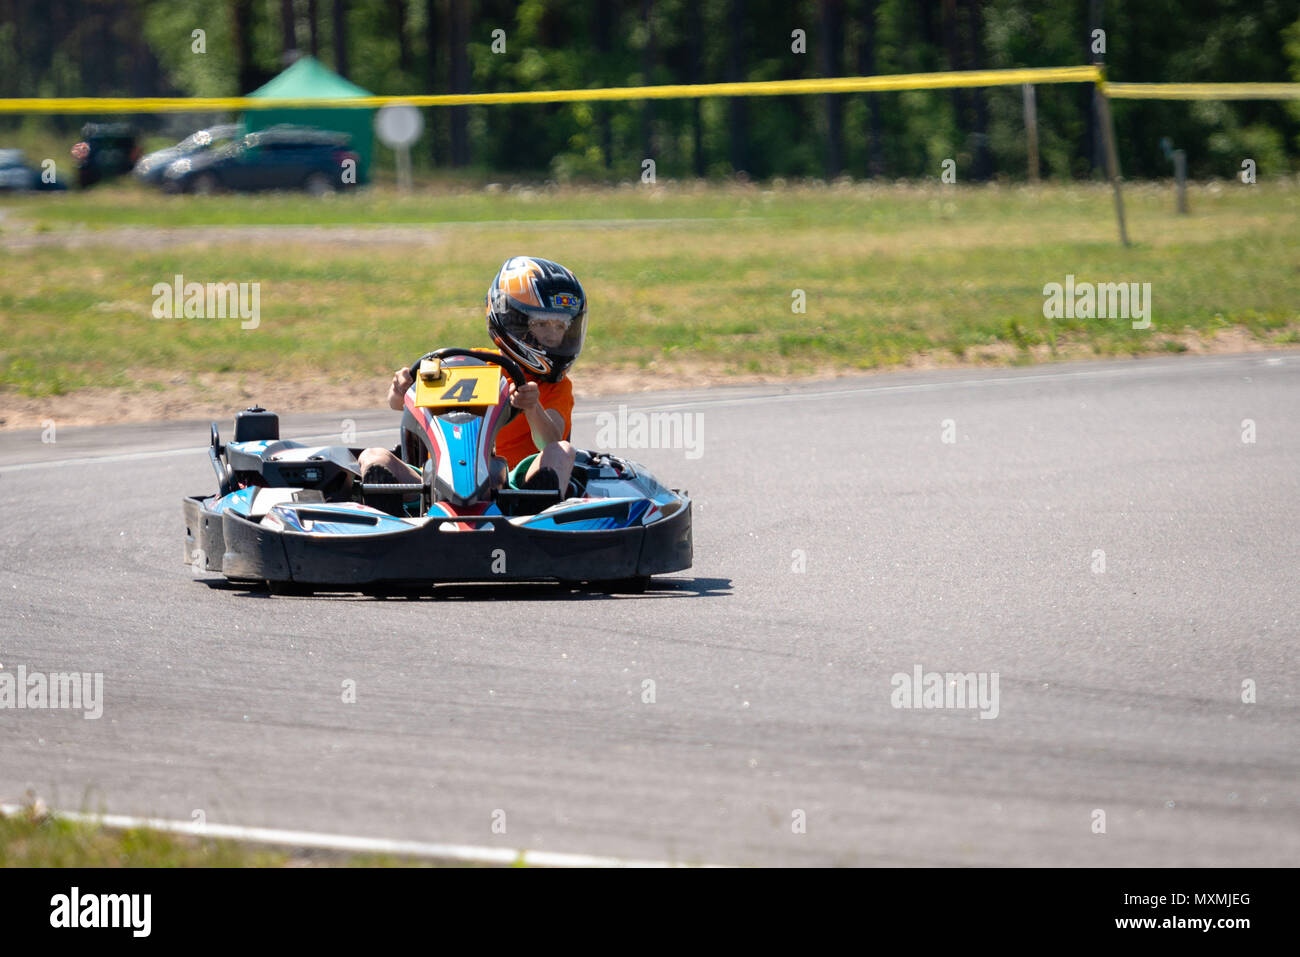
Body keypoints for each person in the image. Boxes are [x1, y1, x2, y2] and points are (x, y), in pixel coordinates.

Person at [357, 256, 587, 509]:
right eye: (541, 323)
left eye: (560, 325)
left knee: (561, 452)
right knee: (373, 456)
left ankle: (535, 515)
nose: (552, 335)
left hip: (514, 485)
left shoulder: (555, 386)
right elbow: (398, 404)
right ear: (513, 321)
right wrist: (400, 389)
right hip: (438, 480)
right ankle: (385, 528)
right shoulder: (465, 364)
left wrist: (532, 408)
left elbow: (550, 441)